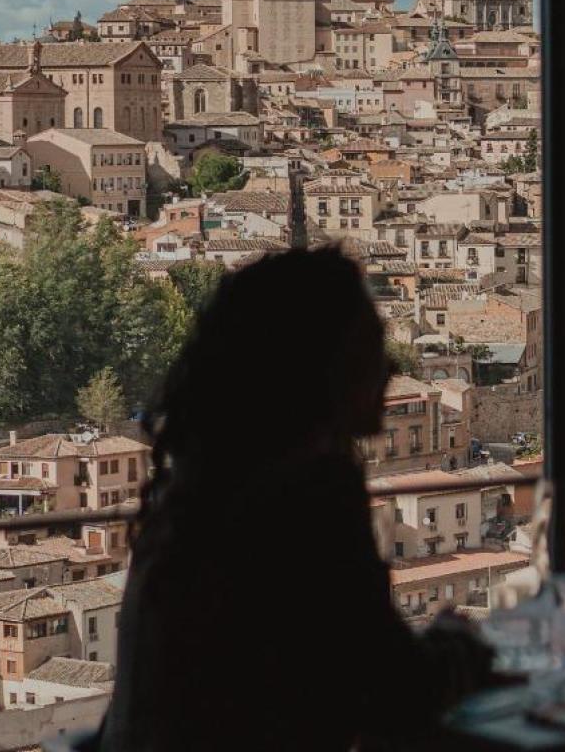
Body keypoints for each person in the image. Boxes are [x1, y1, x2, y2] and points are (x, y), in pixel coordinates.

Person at [100, 249, 492, 752]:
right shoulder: (306, 493)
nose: (389, 367)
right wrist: (458, 646)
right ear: (322, 366)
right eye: (370, 346)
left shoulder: (195, 492)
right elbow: (396, 693)